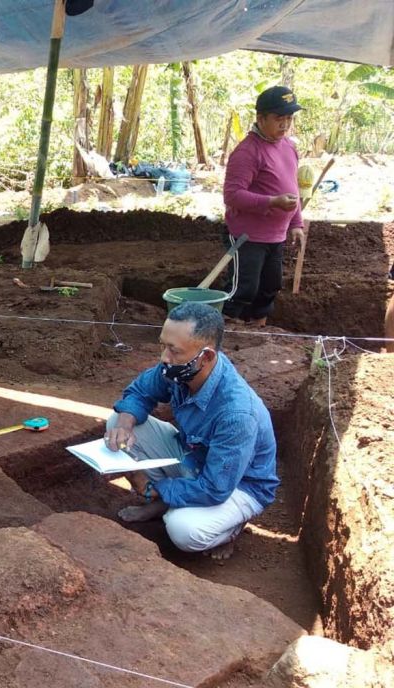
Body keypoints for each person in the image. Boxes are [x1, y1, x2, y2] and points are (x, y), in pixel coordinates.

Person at [105, 302, 279, 561]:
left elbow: (215, 487)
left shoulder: (237, 414)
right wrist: (124, 424)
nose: (164, 357)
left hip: (238, 485)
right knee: (116, 421)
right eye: (163, 345)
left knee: (184, 529)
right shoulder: (181, 370)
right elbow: (141, 392)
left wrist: (155, 488)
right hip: (195, 458)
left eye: (173, 350)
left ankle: (230, 528)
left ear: (206, 356)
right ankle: (163, 503)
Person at [222, 85, 306, 326]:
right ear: (261, 118)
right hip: (247, 237)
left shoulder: (289, 147)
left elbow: (292, 188)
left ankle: (260, 333)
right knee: (243, 287)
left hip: (276, 236)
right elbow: (232, 195)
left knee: (270, 286)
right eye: (279, 119)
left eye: (289, 118)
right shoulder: (247, 152)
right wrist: (272, 202)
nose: (285, 124)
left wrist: (297, 223)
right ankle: (228, 333)